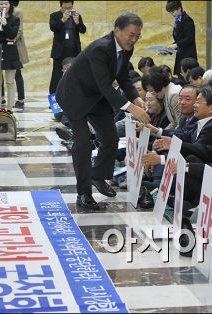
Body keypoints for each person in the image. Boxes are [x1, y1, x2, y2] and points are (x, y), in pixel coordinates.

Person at [55, 13, 149, 211]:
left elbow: (122, 77)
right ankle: (84, 194)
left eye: (137, 36)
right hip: (74, 96)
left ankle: (97, 175)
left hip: (95, 95)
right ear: (117, 30)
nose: (133, 40)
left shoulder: (126, 48)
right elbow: (106, 86)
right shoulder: (100, 48)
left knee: (110, 138)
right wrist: (131, 108)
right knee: (82, 143)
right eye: (130, 35)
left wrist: (136, 97)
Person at [49, 0, 86, 94]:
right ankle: (54, 99)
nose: (68, 10)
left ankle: (74, 96)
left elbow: (83, 30)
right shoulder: (54, 15)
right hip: (60, 51)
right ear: (61, 6)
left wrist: (78, 23)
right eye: (65, 8)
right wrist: (62, 20)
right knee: (56, 75)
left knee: (75, 74)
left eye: (70, 8)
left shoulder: (77, 16)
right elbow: (53, 28)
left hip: (74, 50)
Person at [165, 1, 197, 78]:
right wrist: (167, 50)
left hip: (188, 57)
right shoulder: (178, 20)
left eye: (173, 12)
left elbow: (190, 38)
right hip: (181, 56)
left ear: (179, 9)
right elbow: (179, 39)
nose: (172, 14)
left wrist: (176, 45)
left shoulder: (187, 20)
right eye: (170, 12)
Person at [13, 0, 28, 108]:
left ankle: (21, 98)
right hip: (4, 46)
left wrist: (10, 39)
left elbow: (19, 30)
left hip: (15, 46)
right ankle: (2, 97)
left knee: (17, 72)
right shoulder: (1, 10)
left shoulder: (17, 11)